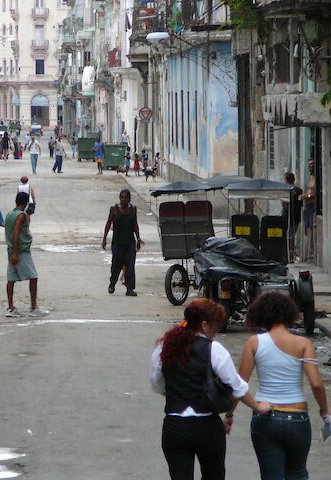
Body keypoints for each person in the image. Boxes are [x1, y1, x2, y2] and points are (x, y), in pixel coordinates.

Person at [149, 299, 273, 480]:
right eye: (216, 326)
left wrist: (177, 393)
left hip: (175, 425)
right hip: (206, 426)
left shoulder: (165, 347)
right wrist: (258, 407)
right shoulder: (214, 349)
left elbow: (157, 383)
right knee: (214, 475)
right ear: (205, 325)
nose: (216, 331)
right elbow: (236, 386)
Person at [235, 293, 330, 480]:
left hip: (265, 418)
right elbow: (317, 384)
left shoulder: (254, 342)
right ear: (289, 314)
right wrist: (324, 410)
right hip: (297, 418)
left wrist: (229, 414)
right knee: (298, 474)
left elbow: (239, 384)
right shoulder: (303, 344)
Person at [4, 192, 48, 318]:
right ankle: (33, 307)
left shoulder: (10, 214)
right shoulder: (21, 215)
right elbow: (16, 233)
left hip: (11, 249)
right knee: (33, 277)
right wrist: (16, 253)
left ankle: (11, 307)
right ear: (26, 203)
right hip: (21, 251)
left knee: (11, 279)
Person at [102, 189, 142, 296]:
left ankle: (130, 289)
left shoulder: (133, 209)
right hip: (117, 243)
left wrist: (138, 238)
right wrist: (104, 238)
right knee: (116, 265)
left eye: (126, 197)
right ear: (119, 198)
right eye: (122, 197)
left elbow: (135, 225)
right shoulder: (114, 209)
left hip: (130, 243)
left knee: (130, 266)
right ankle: (112, 284)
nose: (123, 199)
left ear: (129, 199)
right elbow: (108, 223)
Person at [282, 172, 303, 262]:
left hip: (291, 217)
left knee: (289, 236)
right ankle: (288, 255)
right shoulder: (297, 190)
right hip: (290, 217)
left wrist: (287, 207)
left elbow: (285, 204)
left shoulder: (294, 191)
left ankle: (289, 255)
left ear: (287, 180)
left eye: (284, 180)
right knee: (290, 237)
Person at [299, 159, 316, 260]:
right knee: (308, 227)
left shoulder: (317, 177)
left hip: (313, 204)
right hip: (308, 205)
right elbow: (309, 191)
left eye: (312, 164)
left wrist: (306, 196)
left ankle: (312, 251)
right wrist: (304, 196)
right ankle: (310, 250)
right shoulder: (311, 177)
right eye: (309, 164)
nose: (310, 166)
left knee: (312, 227)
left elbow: (314, 193)